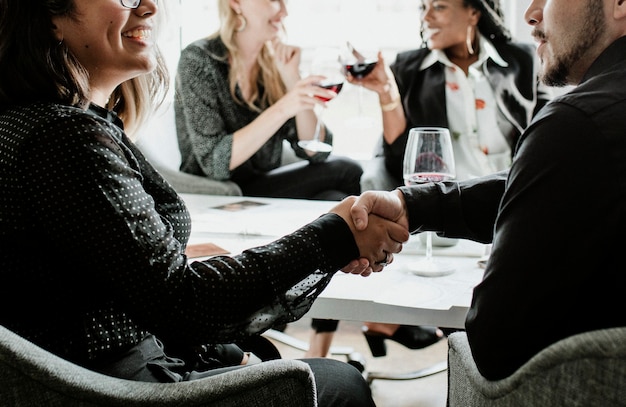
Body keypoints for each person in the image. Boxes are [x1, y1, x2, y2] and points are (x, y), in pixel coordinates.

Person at [0, 1, 410, 405]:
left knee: (268, 352)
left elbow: (63, 262)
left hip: (95, 357)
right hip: (109, 381)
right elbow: (189, 304)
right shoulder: (67, 138)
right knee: (341, 382)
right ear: (49, 17)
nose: (148, 8)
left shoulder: (43, 121)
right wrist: (331, 236)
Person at [347, 0, 626, 381]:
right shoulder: (585, 125)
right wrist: (412, 205)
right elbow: (552, 177)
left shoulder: (571, 121)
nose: (531, 12)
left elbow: (493, 341)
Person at [307, 0, 553, 358]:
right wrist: (388, 94)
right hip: (444, 207)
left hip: (509, 200)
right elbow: (397, 158)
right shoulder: (409, 67)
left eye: (438, 6)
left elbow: (546, 134)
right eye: (422, 7)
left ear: (474, 11)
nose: (425, 16)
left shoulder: (522, 59)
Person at [174, 0, 363, 201]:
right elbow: (215, 163)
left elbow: (315, 151)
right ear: (236, 3)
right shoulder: (198, 60)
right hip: (218, 193)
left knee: (334, 198)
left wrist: (292, 79)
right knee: (347, 171)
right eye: (274, 0)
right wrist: (284, 107)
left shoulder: (272, 66)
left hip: (262, 185)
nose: (284, 11)